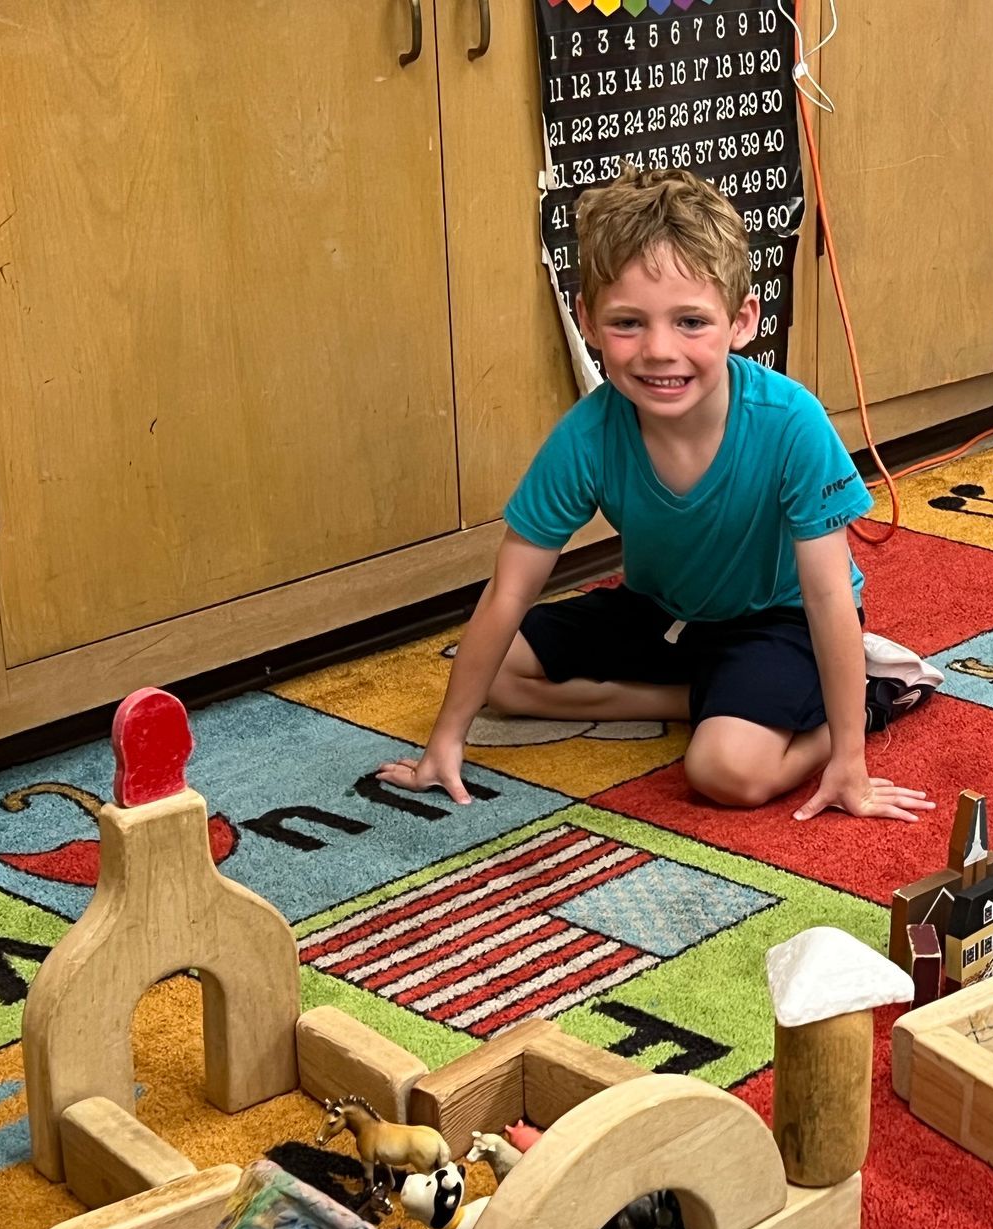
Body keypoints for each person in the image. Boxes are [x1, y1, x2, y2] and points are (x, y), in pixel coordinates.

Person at [377, 168, 938, 822]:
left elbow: (826, 595)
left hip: (779, 620)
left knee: (723, 770)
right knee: (496, 675)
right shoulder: (586, 436)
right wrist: (445, 740)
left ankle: (875, 694)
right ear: (587, 321)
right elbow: (508, 592)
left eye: (691, 321)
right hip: (665, 612)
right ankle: (702, 698)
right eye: (628, 323)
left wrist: (849, 760)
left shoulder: (792, 423)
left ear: (742, 321)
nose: (659, 351)